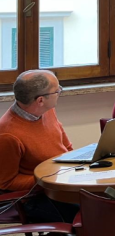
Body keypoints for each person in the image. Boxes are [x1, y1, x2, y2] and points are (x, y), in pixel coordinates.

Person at [0, 70, 78, 223]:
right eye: (57, 90)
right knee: (91, 214)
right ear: (40, 100)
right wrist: (48, 178)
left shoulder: (47, 110)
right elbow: (6, 182)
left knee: (105, 200)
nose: (60, 92)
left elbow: (66, 148)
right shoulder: (8, 135)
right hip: (36, 197)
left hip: (62, 182)